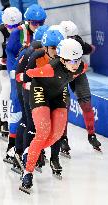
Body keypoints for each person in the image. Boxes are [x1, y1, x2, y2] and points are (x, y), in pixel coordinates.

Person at [19, 38, 87, 194]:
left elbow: (78, 69)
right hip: (40, 90)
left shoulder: (81, 67)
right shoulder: (49, 68)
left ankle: (29, 152)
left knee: (56, 134)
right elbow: (29, 73)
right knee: (43, 131)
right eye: (71, 61)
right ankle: (28, 172)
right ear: (62, 59)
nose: (75, 64)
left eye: (78, 60)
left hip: (58, 93)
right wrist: (22, 79)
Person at [5, 4, 47, 164]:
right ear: (28, 21)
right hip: (19, 72)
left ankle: (34, 148)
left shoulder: (43, 33)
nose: (37, 26)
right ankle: (12, 146)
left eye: (40, 23)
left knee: (34, 113)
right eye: (34, 23)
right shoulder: (18, 33)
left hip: (35, 76)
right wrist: (13, 70)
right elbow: (9, 52)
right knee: (18, 107)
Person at [59, 20, 101, 156]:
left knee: (86, 103)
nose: (72, 41)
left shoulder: (77, 40)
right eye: (69, 38)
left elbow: (89, 49)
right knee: (64, 106)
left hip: (77, 73)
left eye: (74, 38)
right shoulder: (55, 43)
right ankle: (63, 138)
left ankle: (92, 135)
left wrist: (91, 48)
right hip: (61, 75)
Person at [0, 7, 22, 143]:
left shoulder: (24, 29)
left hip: (19, 61)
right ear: (4, 25)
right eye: (10, 26)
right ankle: (4, 121)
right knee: (6, 87)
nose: (14, 28)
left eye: (16, 25)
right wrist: (0, 60)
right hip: (5, 62)